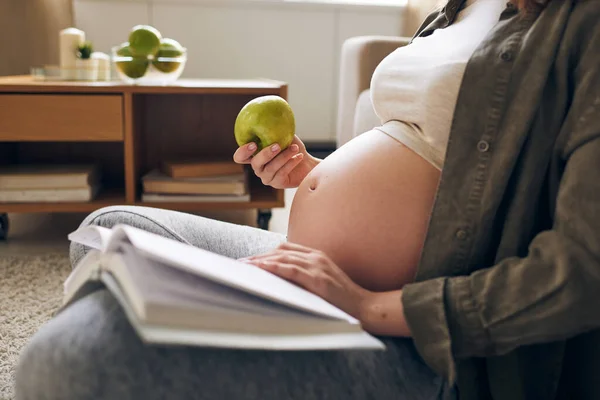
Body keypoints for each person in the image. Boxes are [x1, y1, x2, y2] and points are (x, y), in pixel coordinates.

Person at [14, 0, 600, 398]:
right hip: (323, 276)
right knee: (109, 227)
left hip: (418, 340)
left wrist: (369, 304)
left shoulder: (582, 24)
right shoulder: (461, 8)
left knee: (69, 363)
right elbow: (437, 159)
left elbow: (582, 272)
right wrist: (316, 174)